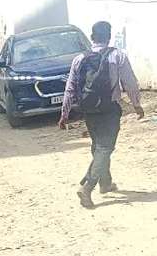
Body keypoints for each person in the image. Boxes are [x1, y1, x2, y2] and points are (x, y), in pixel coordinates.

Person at [60, 21, 144, 209]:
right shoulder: (117, 56)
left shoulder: (79, 59)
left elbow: (70, 88)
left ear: (92, 37)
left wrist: (64, 114)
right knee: (105, 148)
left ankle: (105, 183)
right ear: (109, 37)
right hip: (110, 109)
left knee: (98, 146)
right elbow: (130, 83)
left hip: (89, 110)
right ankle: (87, 187)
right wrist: (137, 105)